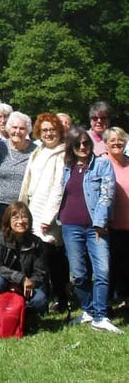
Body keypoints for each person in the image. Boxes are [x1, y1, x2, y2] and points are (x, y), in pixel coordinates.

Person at [60, 127, 121, 333]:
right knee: (78, 273)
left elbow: (107, 195)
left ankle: (101, 315)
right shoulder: (66, 167)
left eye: (86, 143)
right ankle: (87, 311)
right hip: (70, 225)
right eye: (77, 144)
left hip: (96, 227)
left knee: (102, 270)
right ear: (72, 146)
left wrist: (99, 222)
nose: (83, 147)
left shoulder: (102, 165)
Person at [18, 113, 68, 312]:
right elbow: (27, 182)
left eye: (52, 130)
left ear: (59, 131)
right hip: (33, 207)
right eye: (45, 130)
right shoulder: (38, 151)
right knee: (37, 256)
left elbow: (59, 188)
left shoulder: (62, 153)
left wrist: (49, 217)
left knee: (51, 257)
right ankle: (43, 297)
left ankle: (61, 298)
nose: (48, 133)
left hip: (50, 212)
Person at [0, 202, 49, 315]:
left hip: (27, 286)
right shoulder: (0, 239)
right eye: (15, 217)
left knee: (40, 300)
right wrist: (20, 278)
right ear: (8, 221)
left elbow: (40, 273)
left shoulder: (36, 243)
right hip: (4, 282)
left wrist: (30, 282)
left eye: (24, 217)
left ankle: (22, 315)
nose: (20, 221)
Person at [0, 111, 36, 227]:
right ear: (8, 128)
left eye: (22, 128)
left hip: (24, 206)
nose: (17, 131)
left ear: (27, 131)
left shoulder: (35, 151)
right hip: (0, 206)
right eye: (14, 127)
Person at [104, 127, 129, 306]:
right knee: (109, 267)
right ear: (105, 143)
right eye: (112, 139)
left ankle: (125, 299)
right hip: (109, 226)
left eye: (120, 139)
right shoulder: (101, 163)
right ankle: (107, 303)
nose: (116, 143)